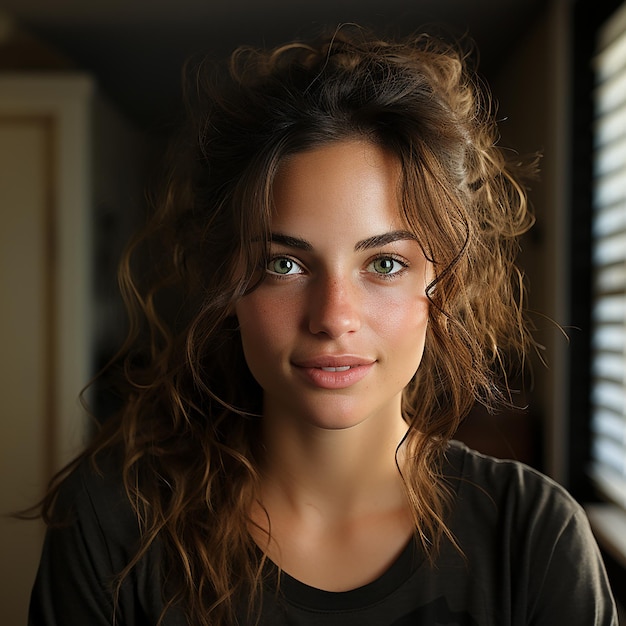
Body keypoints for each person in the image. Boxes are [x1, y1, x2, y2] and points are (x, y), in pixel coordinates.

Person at [28, 25, 618, 626]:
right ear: (225, 284)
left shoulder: (535, 540)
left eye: (384, 264)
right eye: (283, 264)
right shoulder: (116, 527)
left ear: (446, 284)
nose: (334, 317)